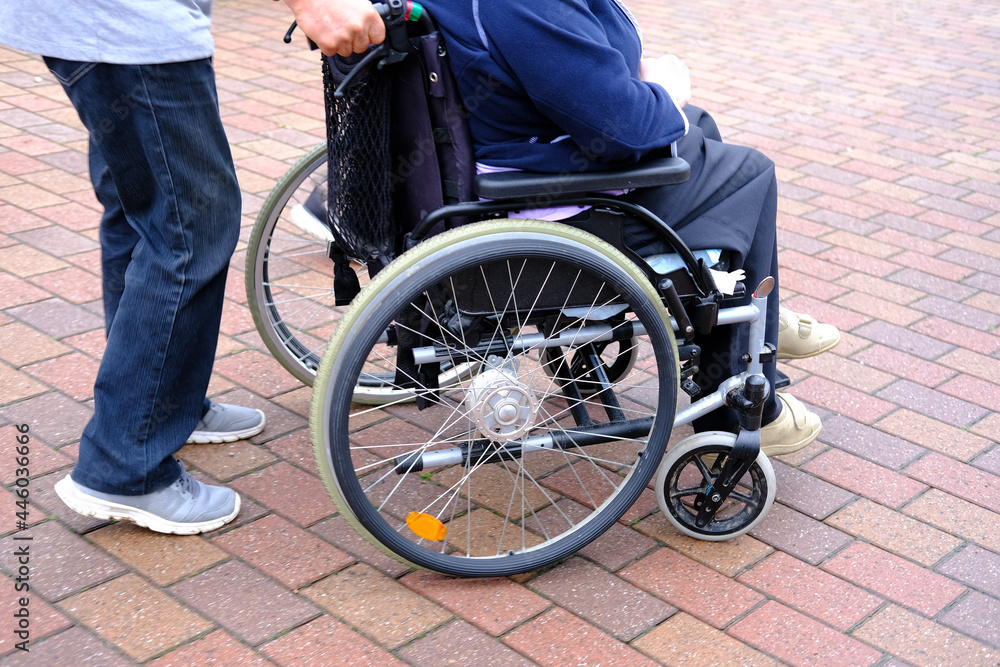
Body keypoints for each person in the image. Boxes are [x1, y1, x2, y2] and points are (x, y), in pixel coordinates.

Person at [0, 0, 384, 534]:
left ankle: (162, 407)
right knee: (191, 226)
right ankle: (126, 465)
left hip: (102, 24)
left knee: (144, 212)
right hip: (131, 26)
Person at [419, 0, 839, 455]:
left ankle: (749, 323)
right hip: (553, 207)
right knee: (749, 173)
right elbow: (625, 127)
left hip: (519, 161)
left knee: (697, 125)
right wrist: (664, 89)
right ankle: (740, 412)